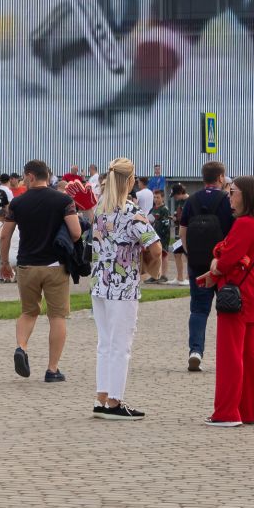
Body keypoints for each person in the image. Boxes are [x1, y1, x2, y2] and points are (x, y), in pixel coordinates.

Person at [0, 159, 80, 383]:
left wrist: (4, 262)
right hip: (55, 266)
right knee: (57, 316)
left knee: (28, 311)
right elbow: (76, 232)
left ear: (31, 176)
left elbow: (5, 234)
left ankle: (21, 347)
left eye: (24, 176)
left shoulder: (18, 203)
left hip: (27, 265)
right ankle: (52, 369)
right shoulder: (64, 200)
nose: (23, 180)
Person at [197, 175, 254, 428]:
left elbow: (226, 258)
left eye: (233, 192)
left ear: (246, 195)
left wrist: (217, 262)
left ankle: (227, 412)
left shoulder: (244, 224)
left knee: (230, 357)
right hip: (251, 296)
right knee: (250, 355)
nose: (230, 197)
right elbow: (229, 254)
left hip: (235, 299)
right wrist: (219, 260)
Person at [89, 158, 157, 419]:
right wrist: (152, 270)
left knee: (105, 343)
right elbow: (154, 244)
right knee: (121, 345)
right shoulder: (131, 212)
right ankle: (115, 402)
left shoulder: (99, 210)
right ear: (129, 181)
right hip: (123, 284)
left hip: (100, 282)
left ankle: (102, 397)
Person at [177, 161, 234, 373]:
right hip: (222, 265)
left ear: (203, 178)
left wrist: (190, 252)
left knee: (199, 309)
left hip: (197, 263)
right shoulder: (227, 201)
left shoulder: (191, 200)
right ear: (220, 178)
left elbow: (183, 231)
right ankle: (227, 356)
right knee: (227, 310)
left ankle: (195, 351)